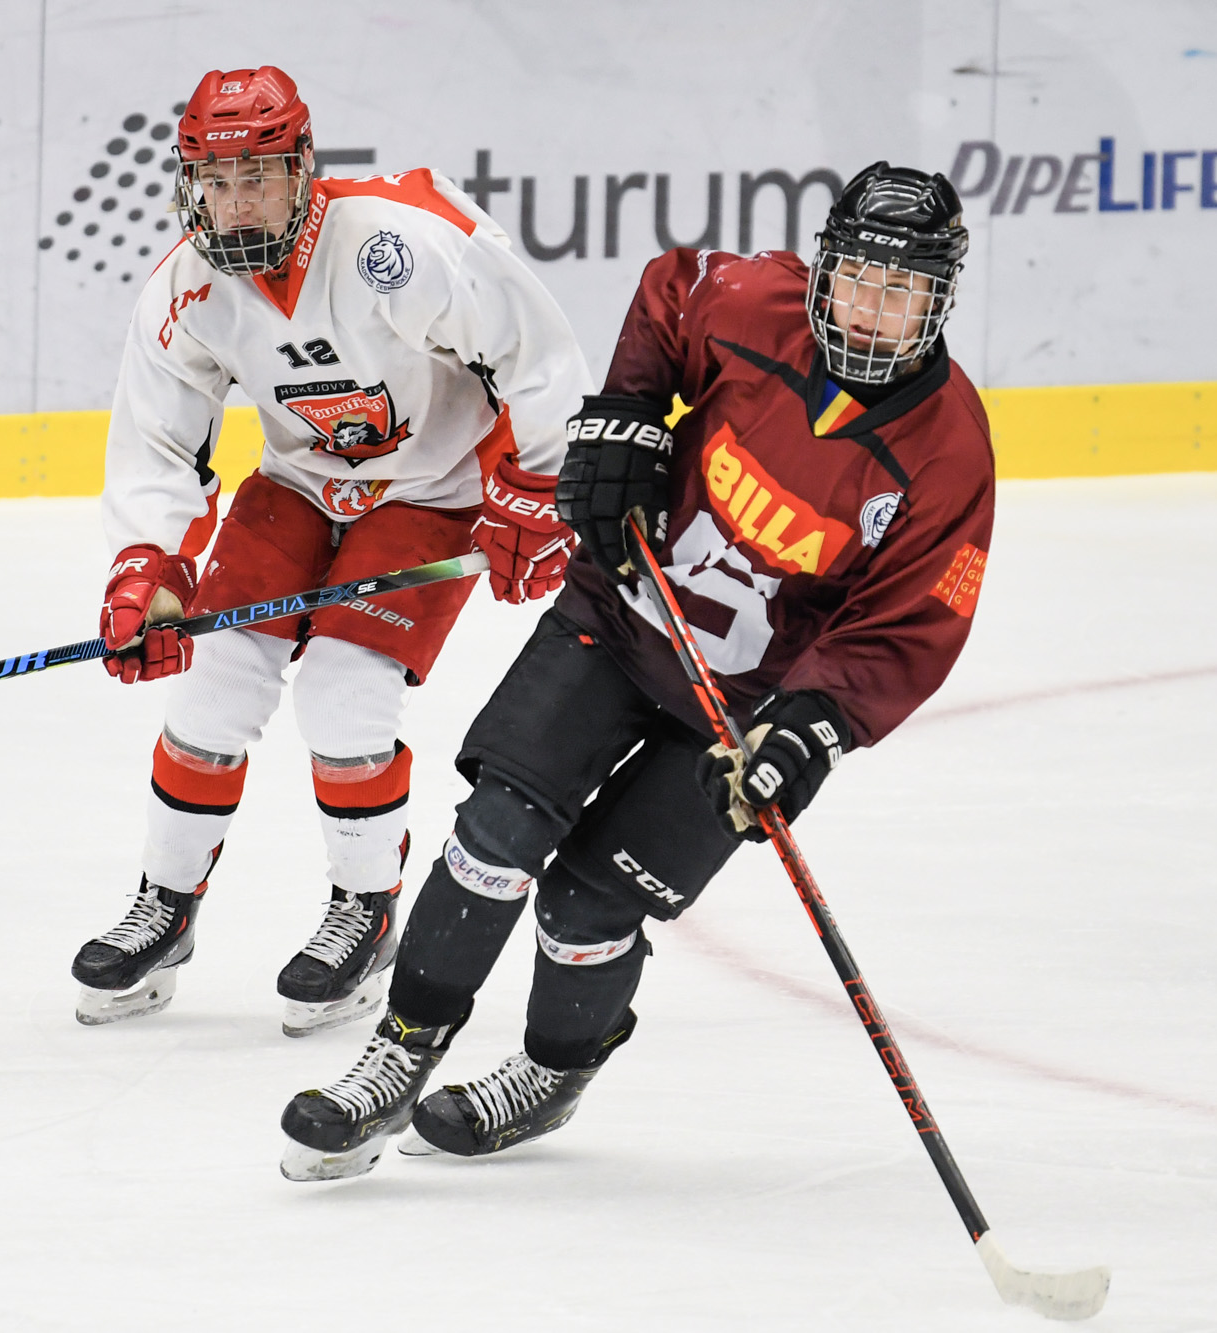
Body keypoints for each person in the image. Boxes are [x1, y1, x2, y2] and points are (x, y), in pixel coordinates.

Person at [279, 163, 996, 1179]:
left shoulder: (948, 455)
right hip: (618, 613)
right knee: (495, 833)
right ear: (823, 269)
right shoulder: (751, 304)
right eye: (856, 281)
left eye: (902, 292)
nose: (870, 312)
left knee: (589, 905)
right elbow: (671, 290)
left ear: (940, 301)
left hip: (739, 711)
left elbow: (906, 625)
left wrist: (810, 725)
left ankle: (551, 1070)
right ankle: (400, 1048)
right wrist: (627, 415)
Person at [74, 67, 591, 1036]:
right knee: (212, 684)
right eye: (215, 182)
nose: (235, 203)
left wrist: (542, 481)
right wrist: (148, 566)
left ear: (302, 168)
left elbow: (535, 349)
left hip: (431, 489)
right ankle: (166, 906)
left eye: (256, 177)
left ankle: (366, 911)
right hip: (300, 484)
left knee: (345, 692)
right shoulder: (188, 290)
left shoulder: (396, 243)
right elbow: (158, 444)